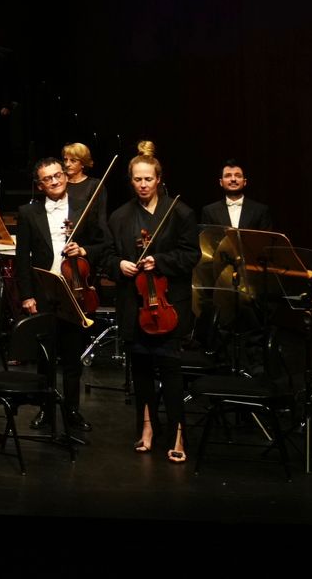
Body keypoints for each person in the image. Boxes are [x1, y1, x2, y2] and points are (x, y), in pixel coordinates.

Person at [103, 141, 196, 462]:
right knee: (141, 372)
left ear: (159, 179)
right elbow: (107, 256)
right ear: (131, 181)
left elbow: (191, 255)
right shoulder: (119, 217)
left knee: (171, 373)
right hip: (134, 305)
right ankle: (146, 429)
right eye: (137, 180)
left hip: (169, 306)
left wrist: (161, 261)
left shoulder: (180, 212)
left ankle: (178, 434)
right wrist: (119, 265)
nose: (143, 185)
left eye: (148, 179)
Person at [15, 157, 108, 439]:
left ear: (65, 177)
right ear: (39, 185)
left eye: (58, 176)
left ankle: (71, 410)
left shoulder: (84, 208)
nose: (54, 182)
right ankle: (45, 409)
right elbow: (22, 257)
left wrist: (84, 252)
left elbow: (104, 244)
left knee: (71, 357)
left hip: (76, 289)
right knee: (46, 356)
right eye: (47, 179)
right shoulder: (28, 213)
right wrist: (27, 295)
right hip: (44, 290)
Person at [201, 160, 276, 231]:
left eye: (238, 176)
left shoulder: (261, 210)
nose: (233, 179)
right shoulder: (209, 211)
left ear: (244, 182)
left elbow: (267, 242)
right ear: (221, 182)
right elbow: (207, 241)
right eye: (228, 176)